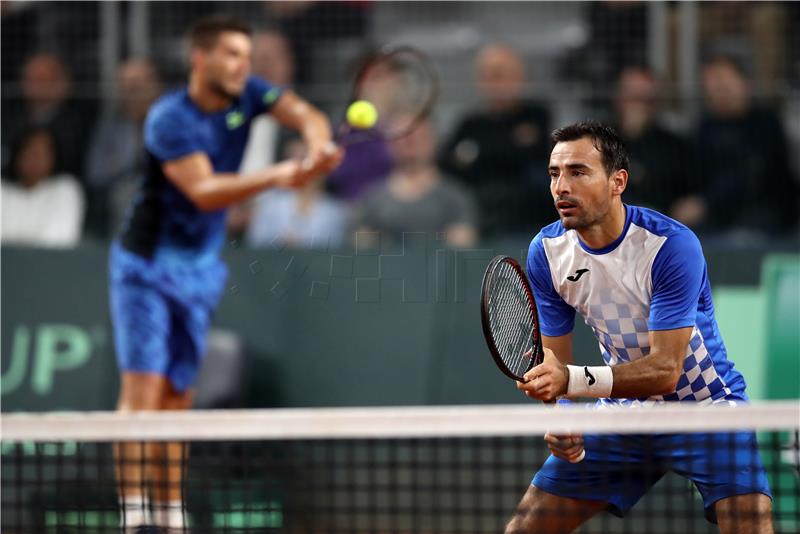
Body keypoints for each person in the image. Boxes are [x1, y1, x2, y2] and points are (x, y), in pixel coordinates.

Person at [109, 15, 342, 533]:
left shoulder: (249, 94)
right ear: (201, 59)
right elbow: (205, 191)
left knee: (177, 395)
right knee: (142, 392)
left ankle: (168, 516)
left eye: (246, 53)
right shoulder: (168, 118)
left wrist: (317, 141)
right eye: (233, 54)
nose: (244, 64)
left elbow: (301, 111)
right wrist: (283, 174)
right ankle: (132, 517)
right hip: (146, 266)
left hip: (199, 269)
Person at [506, 122, 772, 534]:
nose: (561, 186)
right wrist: (561, 417)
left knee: (751, 527)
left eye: (578, 172)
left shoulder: (669, 246)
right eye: (554, 173)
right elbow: (554, 359)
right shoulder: (547, 252)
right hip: (623, 413)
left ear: (618, 182)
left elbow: (665, 371)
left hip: (707, 411)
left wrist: (568, 384)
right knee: (524, 528)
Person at [439, 43, 551, 236]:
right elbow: (449, 166)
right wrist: (512, 146)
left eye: (500, 75)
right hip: (480, 217)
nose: (494, 83)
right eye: (486, 76)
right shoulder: (470, 123)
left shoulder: (537, 115)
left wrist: (478, 153)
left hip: (530, 217)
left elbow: (538, 155)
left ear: (519, 77)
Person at [684, 55, 797, 238]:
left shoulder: (765, 122)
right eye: (711, 84)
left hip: (765, 214)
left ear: (745, 84)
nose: (719, 90)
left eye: (724, 81)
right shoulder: (705, 128)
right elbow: (695, 175)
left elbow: (757, 174)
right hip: (716, 219)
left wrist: (706, 202)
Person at [352, 115, 477, 248]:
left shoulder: (456, 197)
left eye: (419, 137)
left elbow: (463, 246)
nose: (410, 143)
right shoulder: (370, 199)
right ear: (389, 145)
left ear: (434, 141)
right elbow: (360, 246)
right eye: (402, 137)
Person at [84, 58, 163, 238]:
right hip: (122, 192)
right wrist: (128, 158)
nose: (132, 94)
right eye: (126, 88)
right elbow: (95, 173)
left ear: (156, 86)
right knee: (127, 196)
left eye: (138, 87)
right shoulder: (109, 127)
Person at [612, 66, 694, 221]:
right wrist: (630, 135)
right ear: (619, 99)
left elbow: (674, 187)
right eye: (633, 98)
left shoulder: (673, 145)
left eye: (645, 100)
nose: (638, 106)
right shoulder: (600, 140)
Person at [1, 126, 84, 247]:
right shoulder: (3, 191)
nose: (36, 158)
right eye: (30, 150)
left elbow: (58, 241)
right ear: (17, 153)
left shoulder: (66, 189)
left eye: (43, 152)